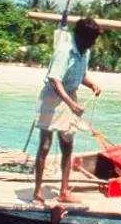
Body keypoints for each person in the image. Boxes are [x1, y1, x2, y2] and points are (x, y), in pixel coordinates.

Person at [33, 18, 102, 204]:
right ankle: (37, 192)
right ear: (81, 36)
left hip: (70, 95)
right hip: (52, 97)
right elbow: (55, 80)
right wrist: (71, 104)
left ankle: (64, 190)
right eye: (91, 39)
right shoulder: (64, 51)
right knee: (45, 146)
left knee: (67, 144)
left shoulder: (85, 52)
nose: (93, 43)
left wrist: (92, 84)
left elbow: (82, 75)